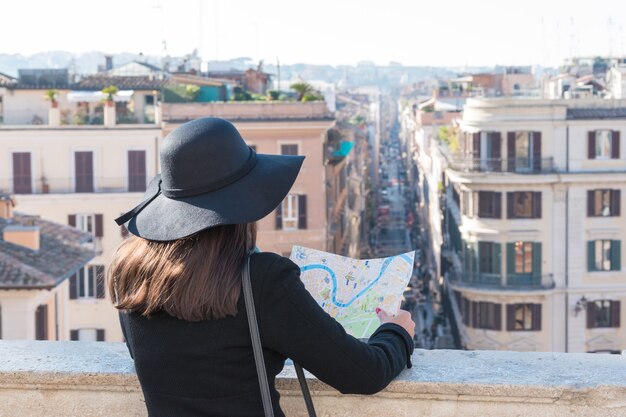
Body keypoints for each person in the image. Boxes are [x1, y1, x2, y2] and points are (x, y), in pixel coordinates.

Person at [109, 118, 416, 417]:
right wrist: (397, 332)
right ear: (244, 202)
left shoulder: (131, 275)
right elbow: (363, 373)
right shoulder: (262, 280)